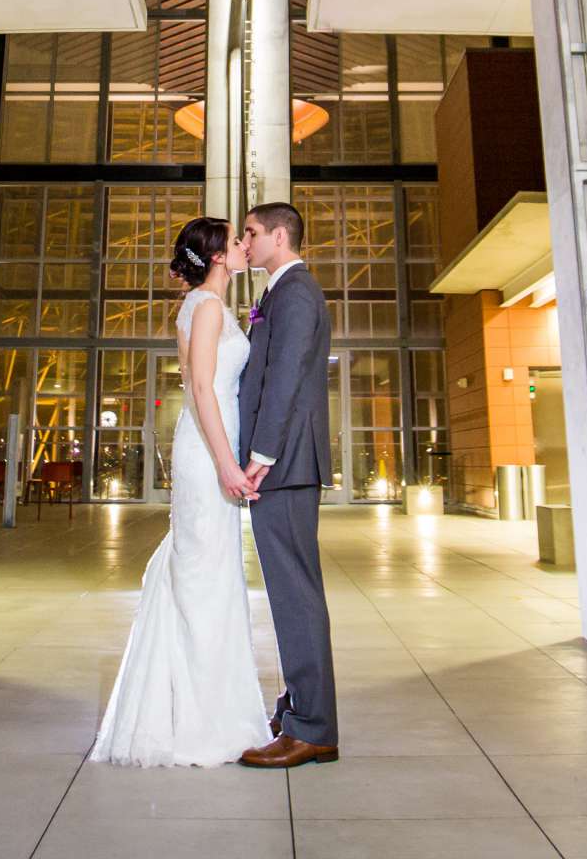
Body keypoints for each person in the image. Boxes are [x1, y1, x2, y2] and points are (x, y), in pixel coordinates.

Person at [88, 216, 269, 767]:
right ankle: (198, 719)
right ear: (217, 257)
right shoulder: (208, 309)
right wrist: (226, 466)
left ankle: (194, 703)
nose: (243, 246)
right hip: (207, 452)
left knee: (203, 572)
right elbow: (203, 395)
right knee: (205, 576)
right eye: (236, 241)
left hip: (206, 449)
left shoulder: (199, 307)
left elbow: (199, 390)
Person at [233, 201, 341, 768]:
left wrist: (262, 453)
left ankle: (314, 727)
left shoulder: (296, 292)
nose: (245, 242)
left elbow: (286, 377)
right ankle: (299, 706)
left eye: (251, 232)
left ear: (279, 235)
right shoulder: (281, 292)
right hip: (286, 463)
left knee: (296, 594)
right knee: (292, 592)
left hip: (286, 464)